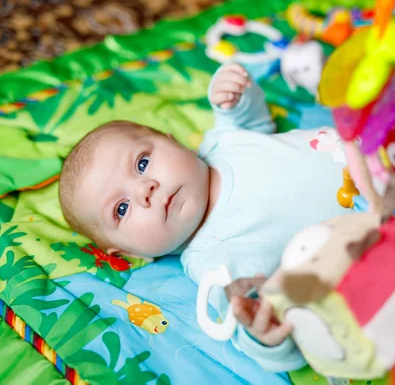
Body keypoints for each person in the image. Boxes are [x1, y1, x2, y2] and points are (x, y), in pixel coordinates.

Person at [59, 63, 350, 372]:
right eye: (121, 209)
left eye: (142, 163)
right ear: (130, 253)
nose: (145, 189)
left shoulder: (222, 141)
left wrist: (233, 97)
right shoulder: (214, 266)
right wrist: (265, 336)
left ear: (173, 141)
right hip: (391, 223)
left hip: (380, 148)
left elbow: (251, 118)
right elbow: (246, 321)